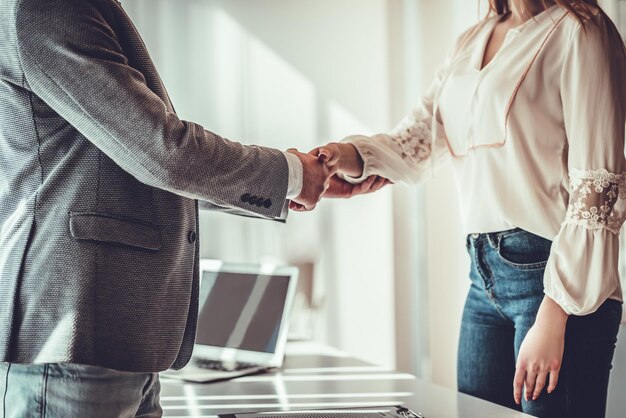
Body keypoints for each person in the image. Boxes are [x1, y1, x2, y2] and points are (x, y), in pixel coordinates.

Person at [0, 0, 340, 415]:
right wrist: (290, 175)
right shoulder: (47, 7)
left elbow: (132, 166)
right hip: (74, 332)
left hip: (116, 339)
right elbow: (161, 153)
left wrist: (287, 185)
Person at [309, 1, 626, 417]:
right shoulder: (471, 40)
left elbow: (597, 189)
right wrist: (341, 156)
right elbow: (418, 137)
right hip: (482, 279)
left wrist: (556, 310)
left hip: (556, 281)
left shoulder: (581, 30)